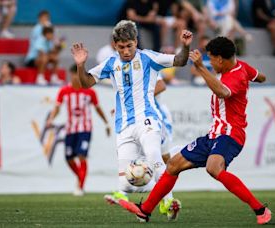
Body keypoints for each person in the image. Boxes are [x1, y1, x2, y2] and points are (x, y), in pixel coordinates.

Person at [118, 36, 271, 225]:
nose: (211, 63)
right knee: (173, 165)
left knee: (213, 168)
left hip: (231, 134)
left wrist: (200, 68)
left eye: (212, 59)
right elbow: (261, 77)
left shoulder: (237, 75)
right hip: (214, 135)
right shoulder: (243, 68)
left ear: (221, 59)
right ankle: (145, 210)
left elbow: (222, 92)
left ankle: (260, 210)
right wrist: (257, 78)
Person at [71, 20, 193, 220]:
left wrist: (186, 47)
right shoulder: (111, 63)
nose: (126, 51)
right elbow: (85, 83)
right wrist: (81, 65)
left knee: (154, 157)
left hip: (147, 120)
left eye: (130, 46)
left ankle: (168, 202)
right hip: (123, 126)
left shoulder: (149, 58)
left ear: (136, 42)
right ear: (114, 45)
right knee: (129, 181)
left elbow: (179, 60)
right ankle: (143, 200)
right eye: (121, 47)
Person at [46, 64, 111, 196]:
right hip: (70, 129)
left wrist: (106, 123)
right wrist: (51, 119)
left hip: (85, 129)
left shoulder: (90, 92)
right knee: (69, 158)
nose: (78, 77)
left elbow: (98, 108)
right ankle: (80, 178)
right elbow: (57, 108)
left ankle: (80, 186)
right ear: (71, 75)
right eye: (76, 74)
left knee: (82, 155)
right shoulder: (64, 91)